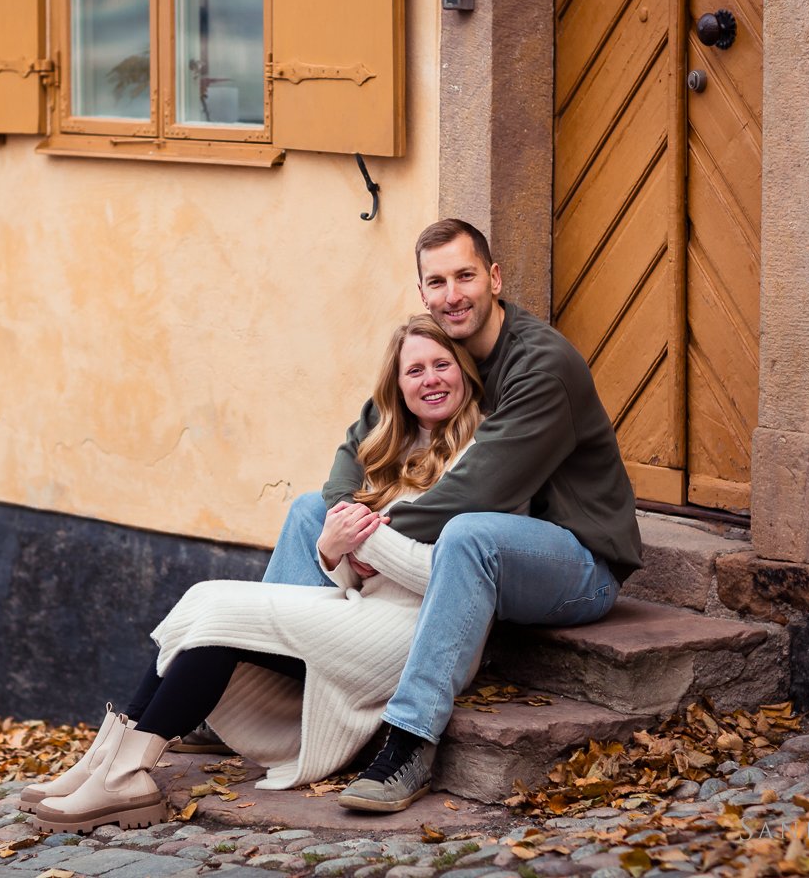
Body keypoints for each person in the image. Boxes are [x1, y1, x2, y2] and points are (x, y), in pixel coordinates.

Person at [19, 315, 488, 833]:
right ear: (397, 386)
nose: (430, 380)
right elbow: (360, 571)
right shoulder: (390, 448)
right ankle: (109, 762)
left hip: (412, 632)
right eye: (415, 370)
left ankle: (125, 773)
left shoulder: (483, 453)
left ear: (464, 371)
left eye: (442, 364)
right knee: (204, 598)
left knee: (223, 612)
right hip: (363, 611)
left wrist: (365, 541)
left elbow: (458, 574)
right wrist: (333, 555)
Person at [261, 218, 644, 813]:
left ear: (494, 278)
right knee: (310, 509)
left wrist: (363, 539)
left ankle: (410, 742)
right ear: (423, 293)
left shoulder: (541, 365)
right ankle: (270, 680)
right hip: (494, 542)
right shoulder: (444, 346)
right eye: (436, 282)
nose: (452, 295)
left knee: (469, 534)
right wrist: (341, 514)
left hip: (576, 563)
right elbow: (362, 437)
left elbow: (475, 492)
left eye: (465, 276)